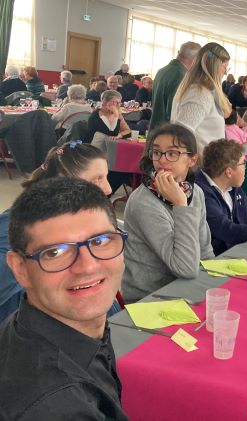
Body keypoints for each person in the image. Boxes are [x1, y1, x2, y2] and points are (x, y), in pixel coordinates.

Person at [0, 177, 128, 420]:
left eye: (100, 241)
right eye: (55, 252)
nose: (88, 266)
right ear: (20, 269)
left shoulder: (46, 329)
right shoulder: (56, 405)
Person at [0, 142, 114, 323]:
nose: (108, 189)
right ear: (64, 182)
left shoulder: (76, 220)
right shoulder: (15, 227)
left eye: (106, 177)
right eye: (96, 179)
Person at [121, 123, 214, 302]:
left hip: (186, 289)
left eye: (172, 153)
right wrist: (180, 205)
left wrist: (214, 285)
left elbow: (205, 250)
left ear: (192, 160)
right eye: (157, 152)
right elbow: (185, 268)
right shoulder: (144, 202)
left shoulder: (195, 192)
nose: (162, 160)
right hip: (151, 298)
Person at [171, 43, 231, 152]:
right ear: (216, 66)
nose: (225, 73)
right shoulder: (199, 94)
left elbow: (227, 111)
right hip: (200, 165)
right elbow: (181, 135)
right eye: (224, 68)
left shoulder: (204, 91)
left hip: (207, 164)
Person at [150, 41, 201, 129]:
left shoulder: (161, 71)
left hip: (156, 127)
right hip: (167, 132)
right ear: (196, 59)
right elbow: (173, 110)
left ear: (179, 53)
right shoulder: (183, 76)